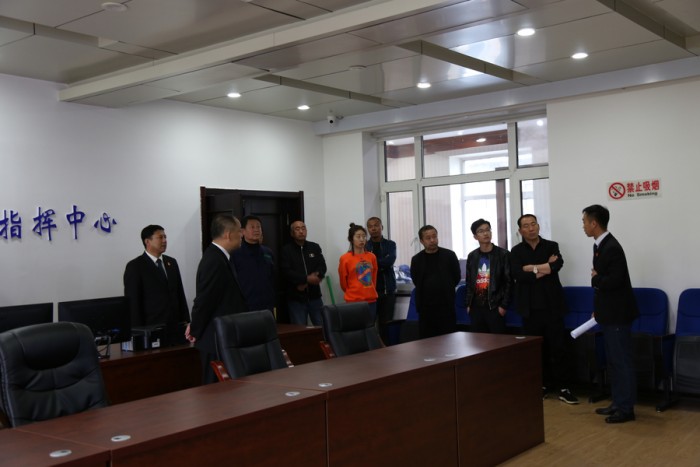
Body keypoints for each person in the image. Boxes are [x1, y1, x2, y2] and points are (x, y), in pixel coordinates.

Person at [510, 214, 579, 404]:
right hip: (529, 309)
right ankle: (540, 385)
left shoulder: (551, 246)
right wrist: (543, 268)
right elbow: (518, 275)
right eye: (526, 226)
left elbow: (556, 266)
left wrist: (531, 268)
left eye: (534, 224)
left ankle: (564, 388)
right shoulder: (516, 251)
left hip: (552, 306)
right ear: (520, 231)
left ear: (538, 226)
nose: (531, 228)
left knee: (558, 348)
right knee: (535, 350)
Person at [582, 204, 638, 423]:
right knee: (614, 361)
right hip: (608, 312)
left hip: (617, 315)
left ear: (594, 223)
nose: (583, 226)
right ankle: (618, 402)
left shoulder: (611, 247)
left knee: (621, 362)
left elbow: (614, 281)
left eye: (584, 222)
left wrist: (596, 278)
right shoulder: (600, 245)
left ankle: (626, 409)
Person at [187, 214, 248, 384]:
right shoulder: (214, 260)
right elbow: (204, 300)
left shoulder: (221, 257)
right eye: (239, 231)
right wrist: (195, 329)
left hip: (224, 334)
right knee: (213, 390)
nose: (242, 235)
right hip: (213, 338)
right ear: (228, 234)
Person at [123, 224, 190, 347]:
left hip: (176, 328)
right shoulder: (135, 266)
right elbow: (133, 303)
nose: (164, 240)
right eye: (160, 237)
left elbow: (179, 293)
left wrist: (187, 321)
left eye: (165, 237)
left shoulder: (171, 262)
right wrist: (138, 333)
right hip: (152, 330)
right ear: (147, 241)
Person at [410, 225, 461, 338]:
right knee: (427, 341)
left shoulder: (449, 255)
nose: (432, 240)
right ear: (422, 241)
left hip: (446, 305)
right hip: (425, 308)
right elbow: (416, 280)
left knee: (449, 339)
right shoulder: (417, 259)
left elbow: (456, 277)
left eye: (434, 236)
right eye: (428, 238)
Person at [465, 219, 511, 334]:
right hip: (476, 307)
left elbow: (509, 282)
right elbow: (469, 282)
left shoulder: (503, 254)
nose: (485, 233)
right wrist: (468, 304)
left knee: (498, 341)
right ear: (475, 236)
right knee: (477, 341)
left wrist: (503, 306)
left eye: (487, 230)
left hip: (495, 306)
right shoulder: (472, 256)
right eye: (481, 231)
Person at [279, 220, 327, 326]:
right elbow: (286, 272)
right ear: (292, 233)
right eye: (297, 229)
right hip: (296, 298)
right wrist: (305, 279)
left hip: (315, 297)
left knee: (322, 326)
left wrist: (317, 275)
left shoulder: (314, 247)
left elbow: (322, 266)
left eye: (303, 228)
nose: (301, 231)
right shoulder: (286, 250)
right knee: (299, 328)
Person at [231, 215, 275, 312]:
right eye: (252, 227)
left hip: (267, 305)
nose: (256, 230)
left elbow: (273, 278)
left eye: (258, 227)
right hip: (245, 306)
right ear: (242, 231)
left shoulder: (268, 252)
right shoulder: (235, 254)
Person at [365, 217, 397, 343]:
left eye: (376, 225)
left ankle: (386, 349)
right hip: (370, 291)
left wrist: (372, 264)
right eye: (370, 226)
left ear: (381, 227)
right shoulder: (365, 246)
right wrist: (380, 263)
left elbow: (390, 261)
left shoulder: (390, 244)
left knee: (386, 324)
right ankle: (371, 350)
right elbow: (362, 265)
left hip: (387, 290)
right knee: (368, 324)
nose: (373, 228)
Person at [338, 223, 378, 319]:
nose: (362, 239)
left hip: (371, 300)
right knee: (355, 326)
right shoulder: (345, 258)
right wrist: (353, 291)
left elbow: (374, 278)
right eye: (358, 236)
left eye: (364, 236)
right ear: (351, 239)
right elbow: (343, 283)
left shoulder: (372, 257)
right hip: (353, 300)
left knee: (370, 325)